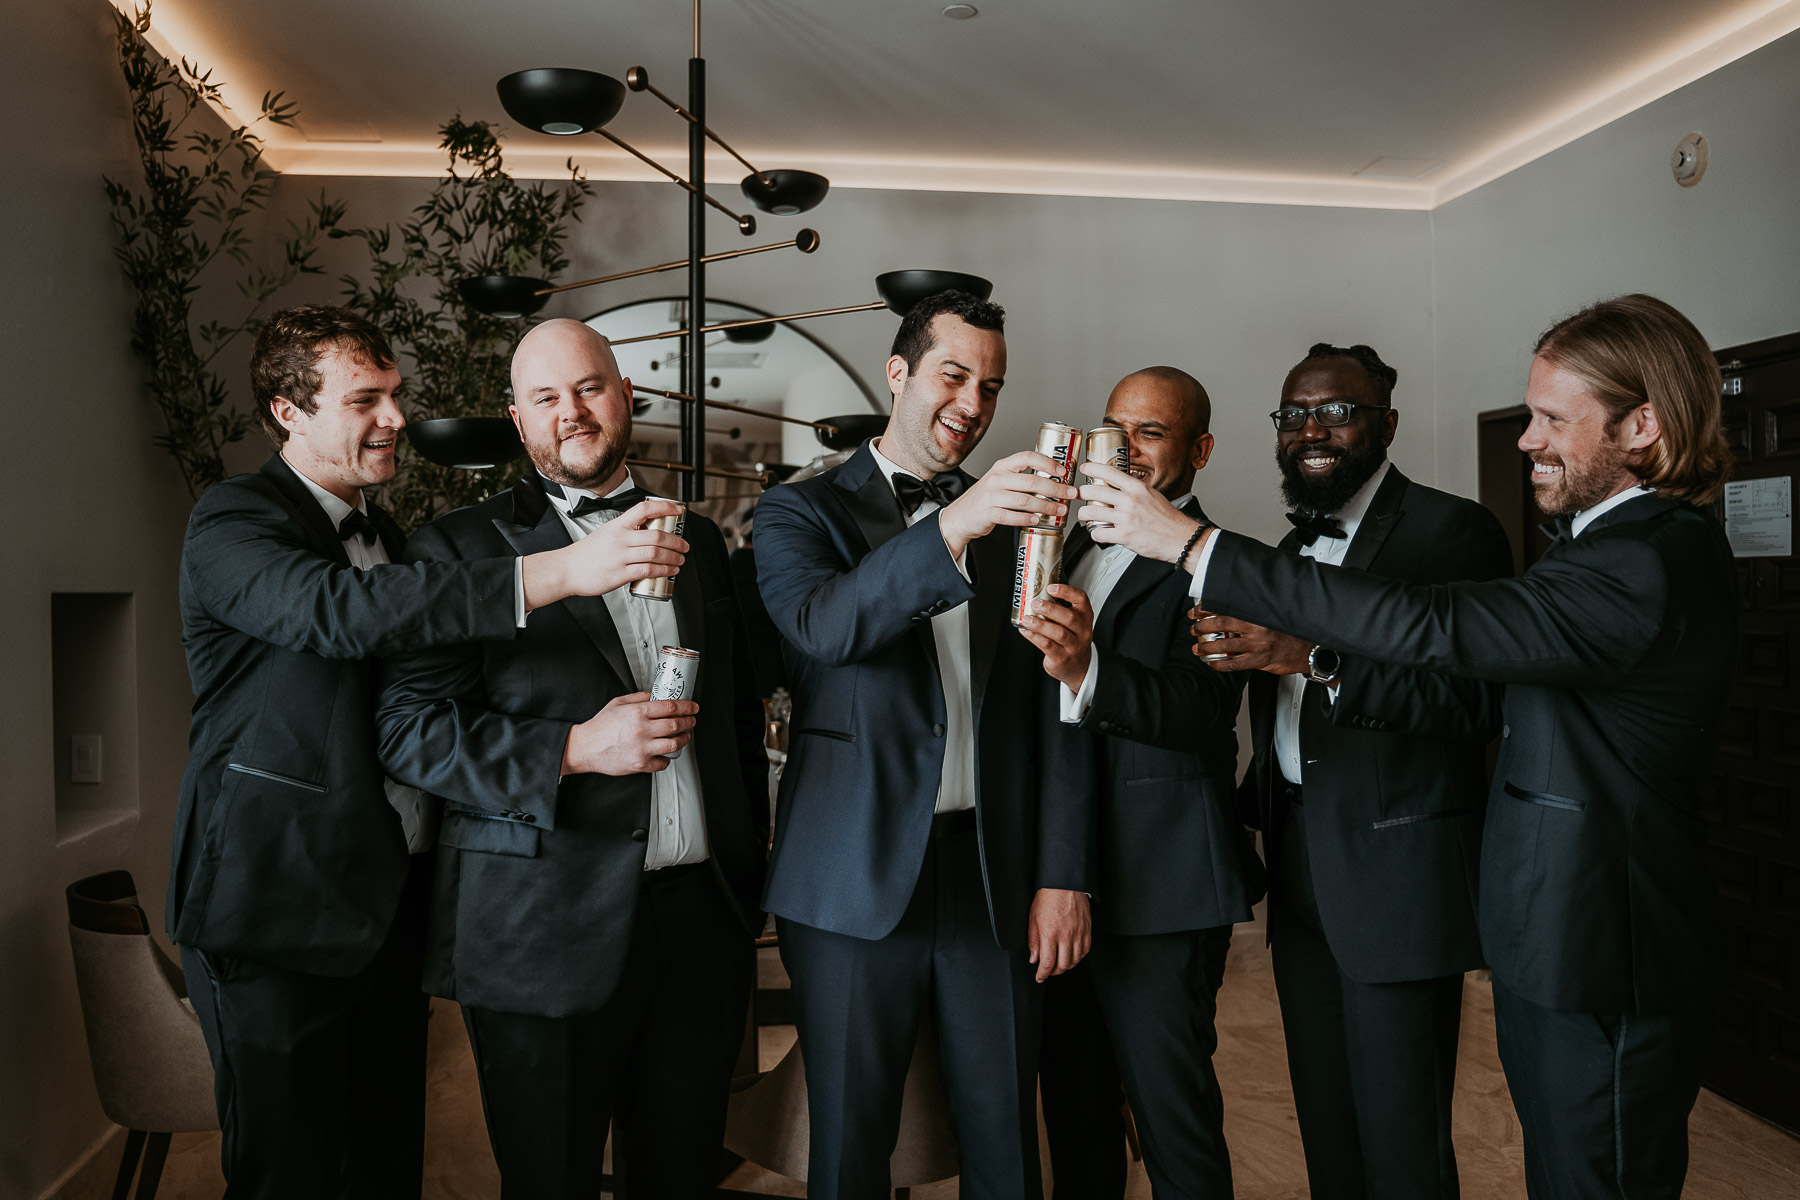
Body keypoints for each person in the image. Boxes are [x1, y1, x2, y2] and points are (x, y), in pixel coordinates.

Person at [1083, 294, 1736, 1200]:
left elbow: (1431, 630)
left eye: (1552, 418)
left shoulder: (1645, 559)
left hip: (1598, 941)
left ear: (1644, 425)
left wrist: (1194, 544)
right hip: (1536, 930)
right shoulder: (1602, 548)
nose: (1526, 438)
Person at [169, 306, 683, 1198]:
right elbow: (337, 615)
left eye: (395, 396)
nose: (396, 419)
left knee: (382, 1170)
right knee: (286, 1176)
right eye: (365, 400)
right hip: (275, 909)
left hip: (385, 911)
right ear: (290, 413)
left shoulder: (396, 541)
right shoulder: (232, 520)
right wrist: (569, 569)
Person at [373, 319, 769, 1198]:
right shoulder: (457, 550)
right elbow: (408, 730)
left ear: (626, 397)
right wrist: (576, 749)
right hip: (537, 930)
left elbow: (736, 719)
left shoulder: (699, 540)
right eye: (546, 398)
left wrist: (748, 875)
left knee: (680, 1177)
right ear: (520, 424)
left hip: (700, 924)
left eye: (588, 388)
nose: (572, 413)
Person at [754, 291, 1094, 1198]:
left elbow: (1050, 707)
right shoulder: (800, 514)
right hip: (850, 879)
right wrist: (953, 524)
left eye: (991, 387)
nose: (973, 405)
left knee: (1004, 1145)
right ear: (899, 373)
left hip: (992, 874)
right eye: (954, 375)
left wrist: (1062, 872)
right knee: (851, 1147)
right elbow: (824, 628)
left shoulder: (1022, 530)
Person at [1203, 344, 1511, 1199]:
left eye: (1336, 411)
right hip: (1301, 866)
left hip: (1400, 873)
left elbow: (1478, 709)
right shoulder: (1284, 549)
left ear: (1387, 424)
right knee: (1327, 1127)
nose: (1312, 430)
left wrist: (1315, 656)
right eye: (1294, 414)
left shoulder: (1454, 531)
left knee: (1403, 1139)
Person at [1020, 367, 1262, 1198]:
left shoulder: (1217, 563)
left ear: (1199, 449)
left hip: (1164, 883)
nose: (1124, 450)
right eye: (1114, 429)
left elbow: (1201, 711)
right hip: (1060, 870)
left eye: (1151, 434)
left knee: (1172, 1116)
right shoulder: (1067, 547)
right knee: (1075, 1106)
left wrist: (1091, 666)